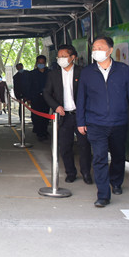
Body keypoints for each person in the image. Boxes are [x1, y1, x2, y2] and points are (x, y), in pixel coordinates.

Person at [76, 36, 129, 208]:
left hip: (118, 122)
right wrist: (80, 121)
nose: (96, 51)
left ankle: (116, 182)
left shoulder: (123, 70)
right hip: (95, 123)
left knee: (118, 155)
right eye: (94, 48)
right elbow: (81, 98)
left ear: (110, 50)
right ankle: (103, 195)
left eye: (100, 48)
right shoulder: (87, 72)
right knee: (99, 157)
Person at [43, 45, 92, 184]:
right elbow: (46, 93)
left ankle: (86, 172)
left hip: (80, 115)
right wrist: (56, 106)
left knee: (84, 145)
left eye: (64, 56)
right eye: (59, 57)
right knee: (65, 146)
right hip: (64, 116)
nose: (61, 59)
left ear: (73, 57)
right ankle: (70, 173)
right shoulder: (53, 74)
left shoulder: (83, 72)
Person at [28, 55, 51, 141]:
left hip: (46, 98)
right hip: (35, 98)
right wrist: (29, 98)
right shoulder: (32, 74)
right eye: (39, 62)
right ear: (37, 63)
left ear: (45, 63)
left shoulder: (49, 73)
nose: (41, 64)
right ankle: (39, 132)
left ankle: (44, 130)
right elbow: (29, 86)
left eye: (43, 62)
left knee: (45, 115)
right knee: (36, 116)